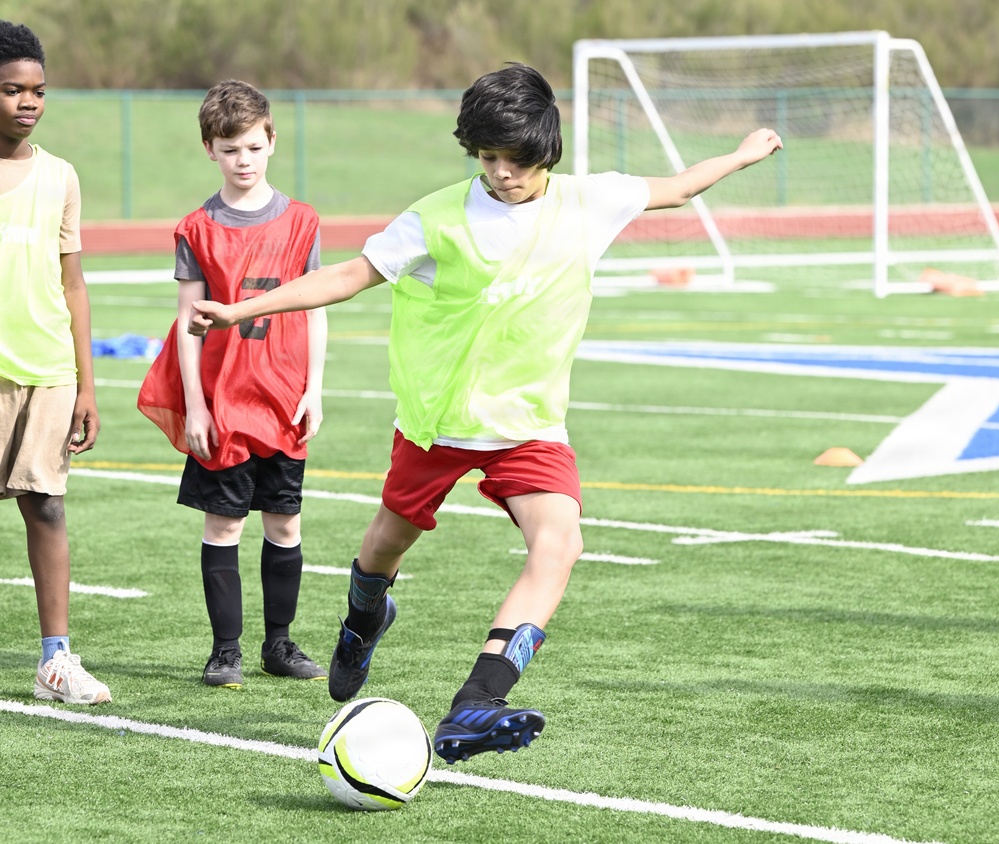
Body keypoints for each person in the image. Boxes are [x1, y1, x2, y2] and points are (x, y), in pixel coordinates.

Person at [189, 64, 782, 756]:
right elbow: (349, 275)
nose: (502, 173)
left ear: (547, 150)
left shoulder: (591, 201)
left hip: (530, 426)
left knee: (560, 543)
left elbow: (677, 189)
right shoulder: (436, 217)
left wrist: (741, 155)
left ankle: (477, 701)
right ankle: (362, 619)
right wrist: (239, 310)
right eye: (487, 158)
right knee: (385, 546)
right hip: (439, 422)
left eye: (516, 159)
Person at [138, 80, 328, 690]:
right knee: (222, 526)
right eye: (229, 149)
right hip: (223, 402)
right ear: (209, 150)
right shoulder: (197, 228)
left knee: (285, 523)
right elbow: (187, 322)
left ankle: (280, 643)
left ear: (271, 139)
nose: (242, 160)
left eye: (251, 146)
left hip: (281, 398)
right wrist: (195, 404)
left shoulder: (303, 222)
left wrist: (315, 387)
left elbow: (317, 307)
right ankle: (226, 650)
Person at [0, 21, 111, 705]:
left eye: (38, 90)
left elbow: (73, 284)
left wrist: (87, 385)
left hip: (48, 366)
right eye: (12, 90)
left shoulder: (60, 176)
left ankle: (55, 661)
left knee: (47, 508)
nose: (28, 102)